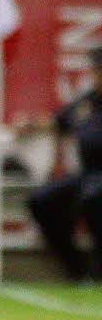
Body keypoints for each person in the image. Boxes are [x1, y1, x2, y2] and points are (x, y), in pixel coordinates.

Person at [26, 46, 102, 281]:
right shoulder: (86, 104)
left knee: (91, 198)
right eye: (96, 70)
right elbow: (58, 121)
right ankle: (75, 263)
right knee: (41, 200)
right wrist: (29, 124)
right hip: (88, 173)